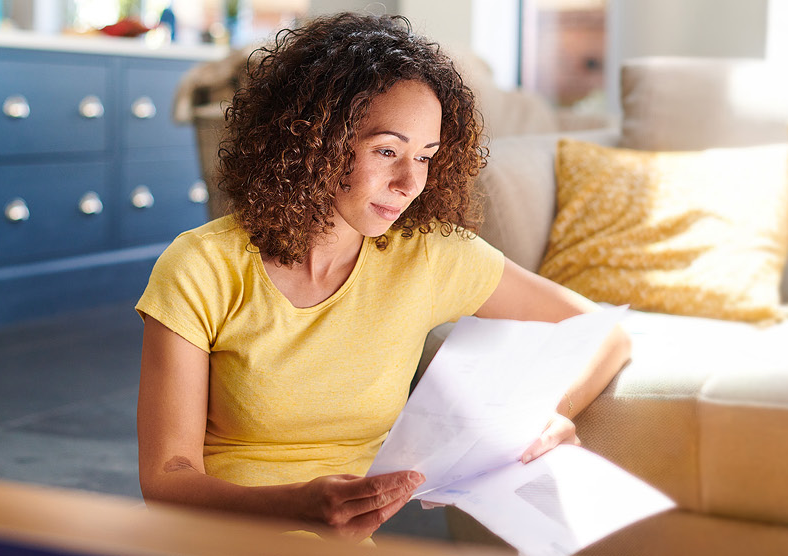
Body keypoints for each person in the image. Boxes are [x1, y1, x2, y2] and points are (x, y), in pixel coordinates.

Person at [134, 12, 630, 543]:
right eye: (387, 151)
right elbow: (166, 478)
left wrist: (555, 414)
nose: (409, 182)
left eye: (426, 157)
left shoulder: (430, 256)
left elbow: (604, 332)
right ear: (312, 140)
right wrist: (297, 506)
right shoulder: (201, 265)